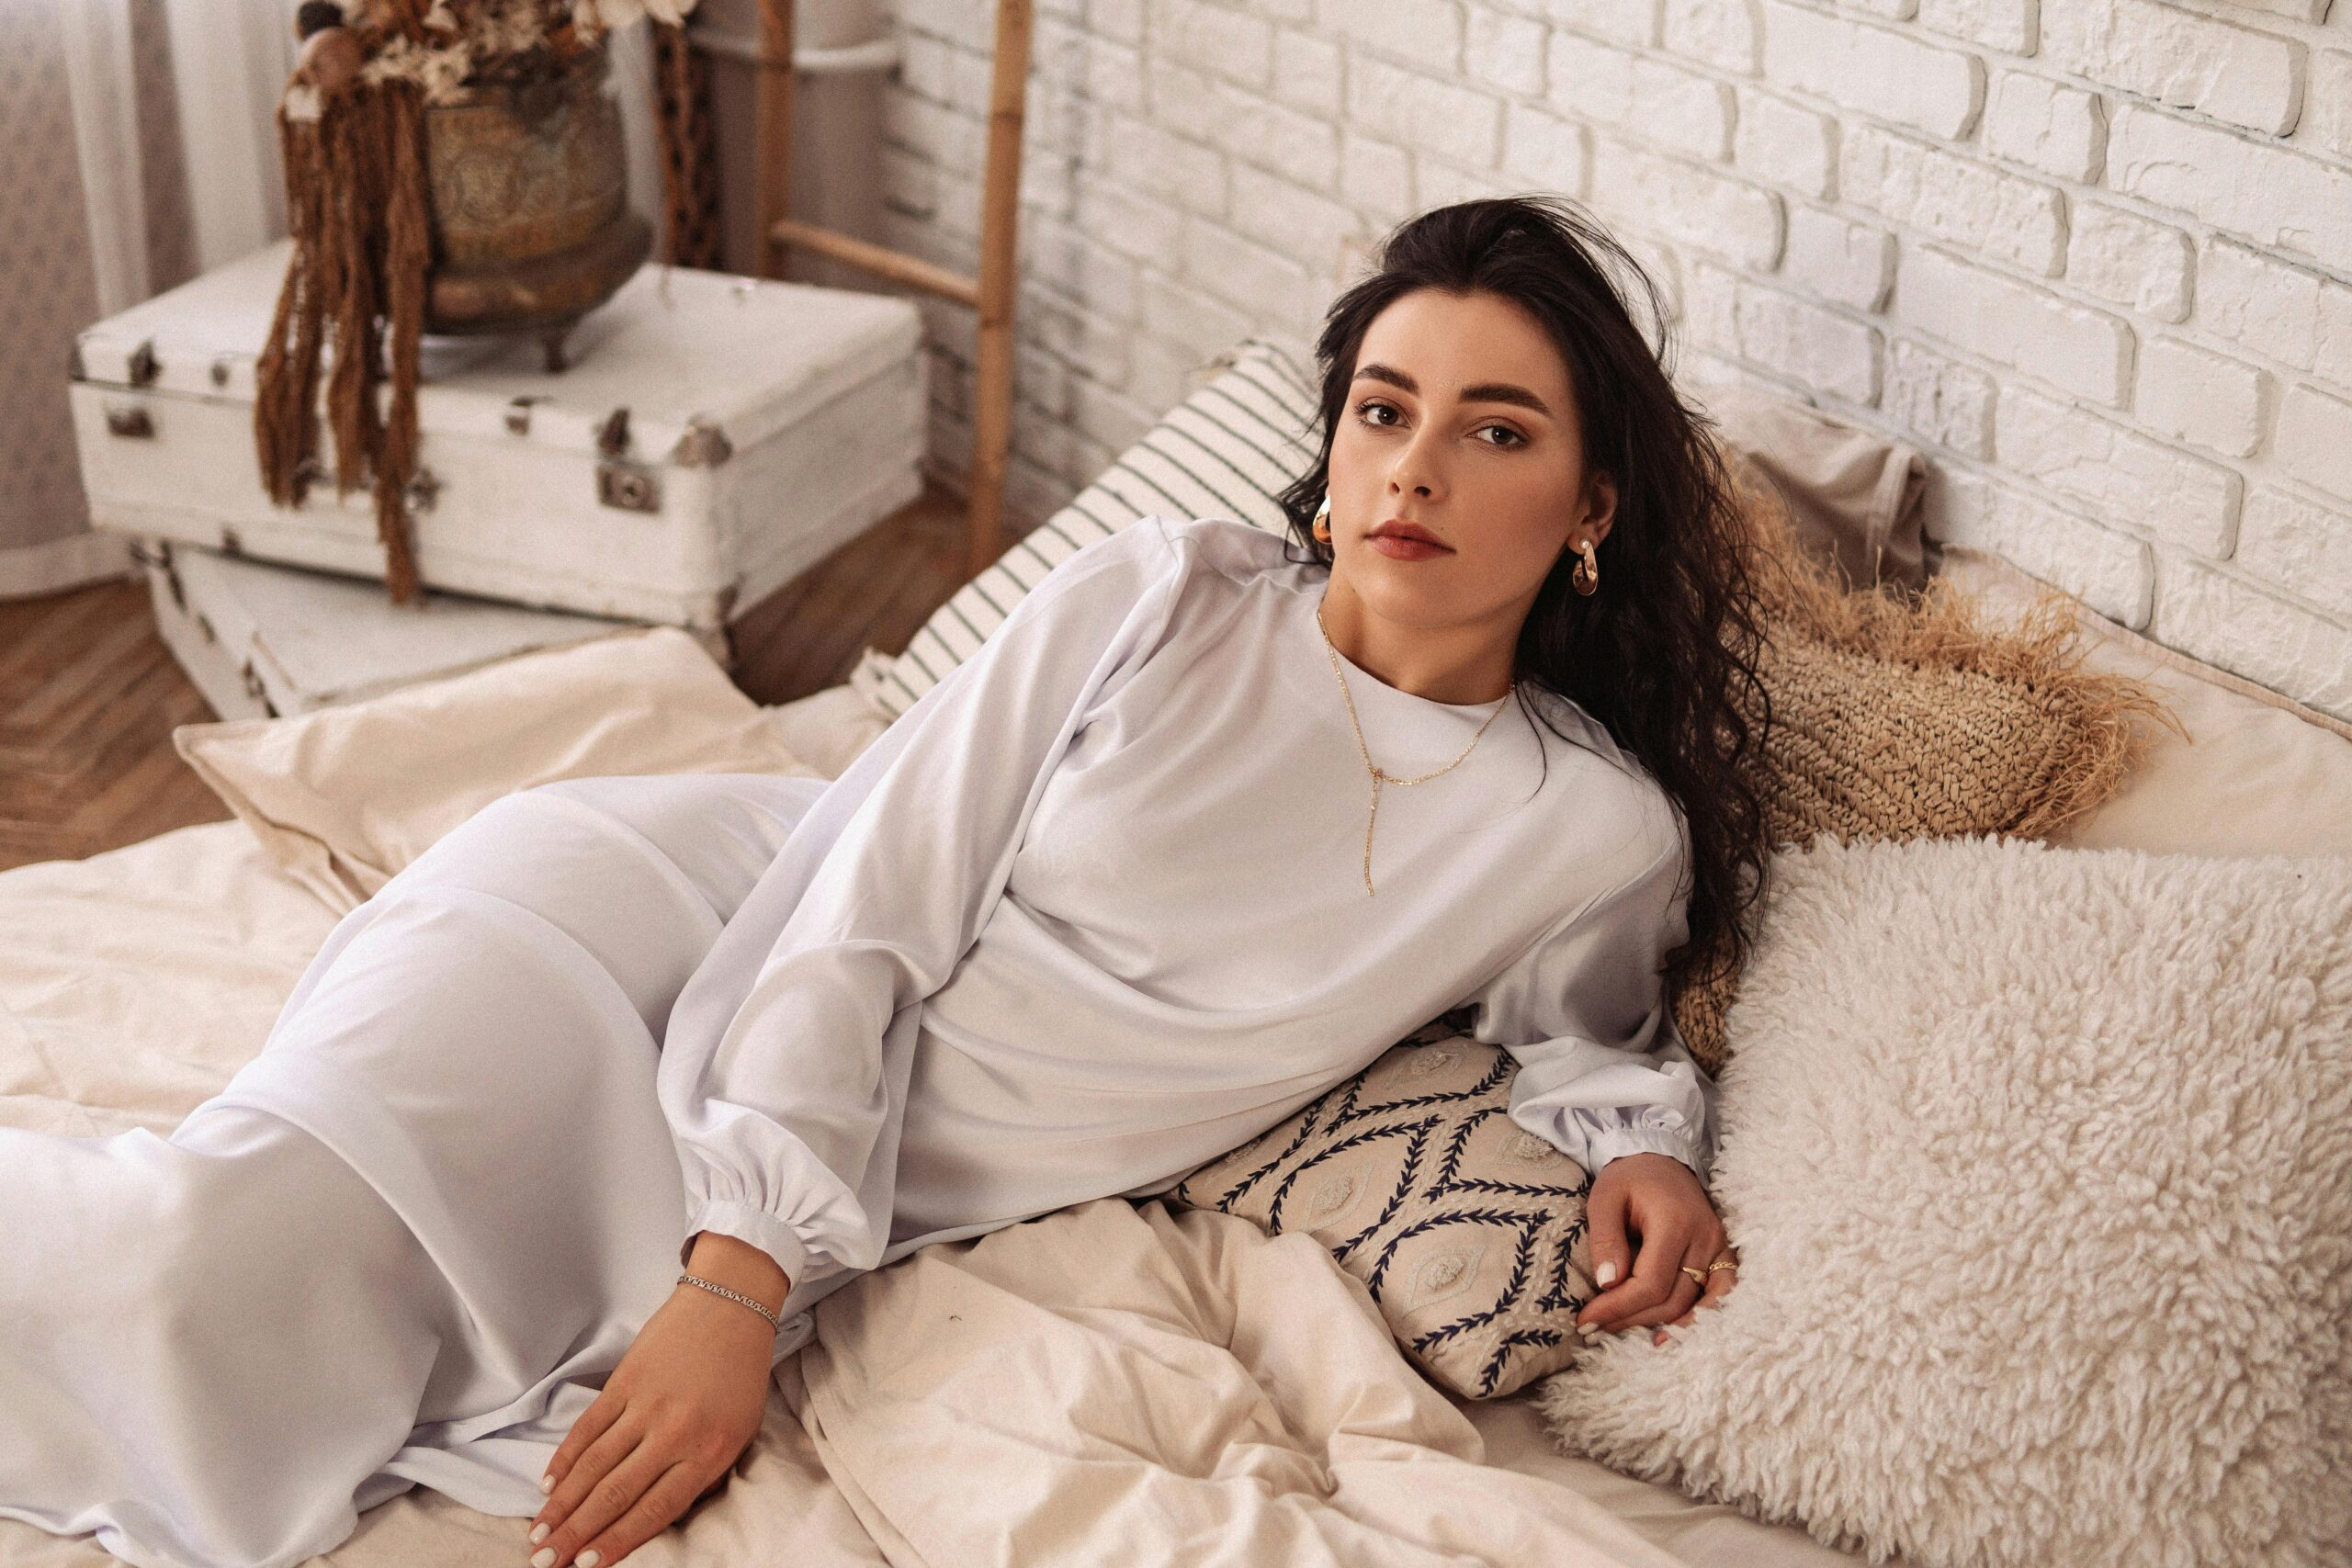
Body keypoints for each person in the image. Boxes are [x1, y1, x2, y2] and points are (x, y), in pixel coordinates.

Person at [0, 194, 1773, 1568]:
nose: (1415, 467)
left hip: (859, 1170)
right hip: (657, 948)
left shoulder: (1587, 829)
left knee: (310, 1367)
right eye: (1384, 411)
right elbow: (866, 897)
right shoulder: (1164, 596)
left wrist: (1642, 1149)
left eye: (1495, 431)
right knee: (190, 1273)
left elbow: (1584, 1031)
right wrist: (736, 1275)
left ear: (1594, 503)